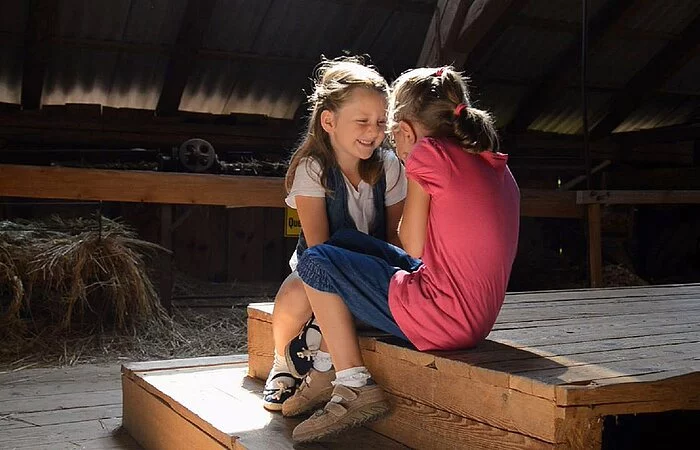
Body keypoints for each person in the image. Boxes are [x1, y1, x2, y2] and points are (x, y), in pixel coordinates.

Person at [286, 66, 520, 443]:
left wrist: (413, 167)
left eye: (392, 131)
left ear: (407, 131)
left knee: (315, 261)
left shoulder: (428, 155)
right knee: (343, 243)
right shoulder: (492, 161)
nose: (390, 142)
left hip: (440, 317)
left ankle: (352, 384)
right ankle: (327, 369)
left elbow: (410, 244)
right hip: (473, 317)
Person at [262, 56, 407, 411]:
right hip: (319, 270)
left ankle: (320, 346)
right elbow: (319, 252)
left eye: (381, 122)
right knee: (294, 294)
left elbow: (394, 238)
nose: (373, 132)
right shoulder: (313, 169)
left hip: (370, 269)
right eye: (362, 121)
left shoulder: (389, 166)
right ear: (329, 121)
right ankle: (282, 362)